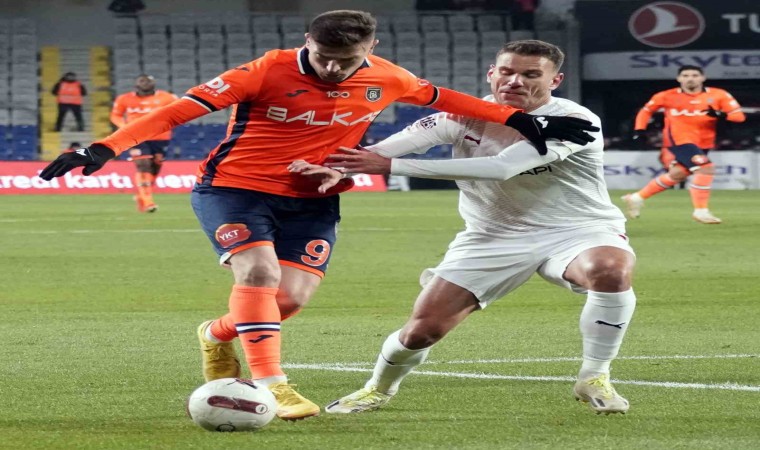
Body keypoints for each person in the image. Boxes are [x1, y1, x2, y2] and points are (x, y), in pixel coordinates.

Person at [38, 11, 598, 421]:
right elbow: (176, 112)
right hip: (234, 188)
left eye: (346, 60)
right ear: (307, 41)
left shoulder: (388, 76)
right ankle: (272, 383)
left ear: (371, 49)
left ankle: (217, 333)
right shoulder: (264, 71)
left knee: (288, 300)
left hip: (312, 196)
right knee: (258, 273)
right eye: (324, 55)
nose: (332, 67)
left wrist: (524, 121)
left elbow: (449, 99)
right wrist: (106, 147)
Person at [292, 39, 636, 415]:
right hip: (491, 235)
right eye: (506, 71)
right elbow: (386, 149)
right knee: (420, 332)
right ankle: (377, 389)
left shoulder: (574, 121)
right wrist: (335, 166)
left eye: (530, 74)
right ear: (491, 74)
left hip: (577, 229)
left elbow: (502, 167)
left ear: (555, 81)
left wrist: (391, 167)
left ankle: (594, 375)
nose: (515, 81)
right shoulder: (463, 115)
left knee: (609, 270)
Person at [622, 65, 746, 224]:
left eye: (694, 75)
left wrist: (720, 114)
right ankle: (701, 211)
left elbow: (739, 117)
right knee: (705, 168)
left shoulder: (718, 94)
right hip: (678, 140)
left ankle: (636, 198)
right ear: (679, 78)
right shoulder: (667, 95)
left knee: (678, 174)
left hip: (704, 142)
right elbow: (646, 110)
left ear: (703, 78)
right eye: (686, 75)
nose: (690, 79)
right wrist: (639, 129)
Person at [110, 74, 178, 213]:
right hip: (136, 136)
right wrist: (124, 126)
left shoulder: (167, 97)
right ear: (136, 83)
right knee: (143, 164)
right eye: (142, 80)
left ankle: (141, 195)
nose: (145, 83)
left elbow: (179, 111)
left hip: (160, 137)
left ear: (154, 83)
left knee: (155, 167)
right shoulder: (124, 98)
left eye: (148, 81)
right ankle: (148, 201)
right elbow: (115, 115)